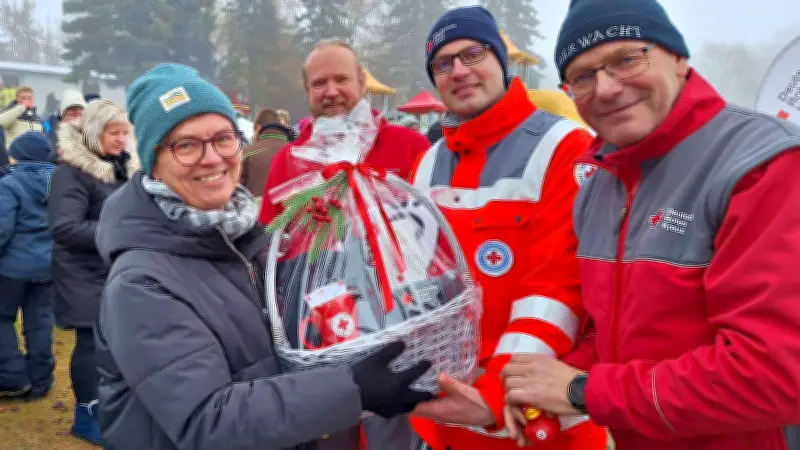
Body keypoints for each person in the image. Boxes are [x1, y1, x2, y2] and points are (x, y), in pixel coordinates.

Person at [500, 1, 800, 450]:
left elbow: (776, 374)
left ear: (679, 59)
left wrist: (580, 390)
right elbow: (618, 334)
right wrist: (534, 384)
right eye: (582, 76)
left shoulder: (759, 164)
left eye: (626, 59)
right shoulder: (599, 185)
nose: (605, 88)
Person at [93, 62, 432, 450]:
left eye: (223, 138)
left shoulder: (244, 237)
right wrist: (352, 389)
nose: (212, 158)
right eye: (185, 145)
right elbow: (209, 420)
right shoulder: (141, 283)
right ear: (154, 161)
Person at [408, 7, 606, 450]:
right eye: (443, 63)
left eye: (473, 54)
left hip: (535, 423)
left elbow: (557, 293)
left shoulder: (563, 147)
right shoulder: (426, 163)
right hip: (447, 422)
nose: (459, 71)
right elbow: (416, 285)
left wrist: (498, 392)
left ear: (501, 60)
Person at [258, 39, 430, 225]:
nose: (331, 91)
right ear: (307, 91)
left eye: (341, 79)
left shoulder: (411, 146)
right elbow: (267, 240)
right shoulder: (286, 160)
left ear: (362, 83)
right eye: (319, 83)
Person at [49, 99, 139, 445]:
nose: (120, 140)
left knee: (115, 344)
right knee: (90, 344)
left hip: (113, 268)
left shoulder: (120, 166)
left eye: (124, 132)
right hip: (82, 273)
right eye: (113, 132)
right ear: (92, 132)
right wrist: (119, 233)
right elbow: (64, 227)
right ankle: (86, 415)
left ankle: (112, 407)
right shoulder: (70, 172)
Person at [0, 132, 57, 400]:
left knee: (1, 317)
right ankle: (40, 381)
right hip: (48, 266)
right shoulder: (62, 182)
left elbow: (2, 230)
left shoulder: (9, 184)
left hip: (12, 268)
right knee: (40, 323)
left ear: (19, 155)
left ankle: (12, 376)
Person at [240, 107, 295, 198]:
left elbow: (236, 194)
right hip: (294, 210)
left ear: (258, 128)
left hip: (256, 210)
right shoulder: (297, 151)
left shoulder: (247, 153)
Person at [43, 89, 87, 158]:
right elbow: (48, 153)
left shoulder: (90, 132)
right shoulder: (50, 128)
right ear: (63, 115)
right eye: (71, 110)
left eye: (79, 111)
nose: (76, 113)